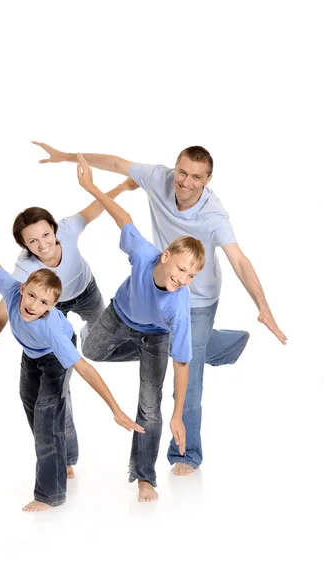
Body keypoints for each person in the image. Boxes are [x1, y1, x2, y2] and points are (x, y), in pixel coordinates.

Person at [33, 141, 287, 477]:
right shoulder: (158, 179)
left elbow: (239, 259)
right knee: (184, 350)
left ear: (206, 181)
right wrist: (67, 157)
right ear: (175, 168)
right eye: (182, 172)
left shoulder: (214, 216)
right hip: (159, 285)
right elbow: (116, 161)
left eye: (196, 177)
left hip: (196, 297)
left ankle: (186, 453)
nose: (185, 182)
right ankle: (225, 344)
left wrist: (263, 305)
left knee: (189, 373)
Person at [0, 202, 144, 512]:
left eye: (44, 303)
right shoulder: (12, 292)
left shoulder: (51, 328)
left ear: (52, 308)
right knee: (31, 403)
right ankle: (67, 455)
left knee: (47, 417)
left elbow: (84, 368)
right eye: (32, 295)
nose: (34, 305)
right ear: (22, 287)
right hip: (31, 356)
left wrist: (115, 409)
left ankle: (50, 494)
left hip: (53, 357)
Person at [76, 154, 205, 502]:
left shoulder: (179, 304)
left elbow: (182, 364)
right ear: (165, 256)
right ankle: (159, 359)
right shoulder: (145, 253)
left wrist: (178, 414)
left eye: (191, 276)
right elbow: (123, 218)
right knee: (89, 350)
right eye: (181, 270)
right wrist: (93, 187)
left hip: (156, 336)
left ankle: (145, 477)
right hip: (119, 314)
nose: (183, 279)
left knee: (151, 406)